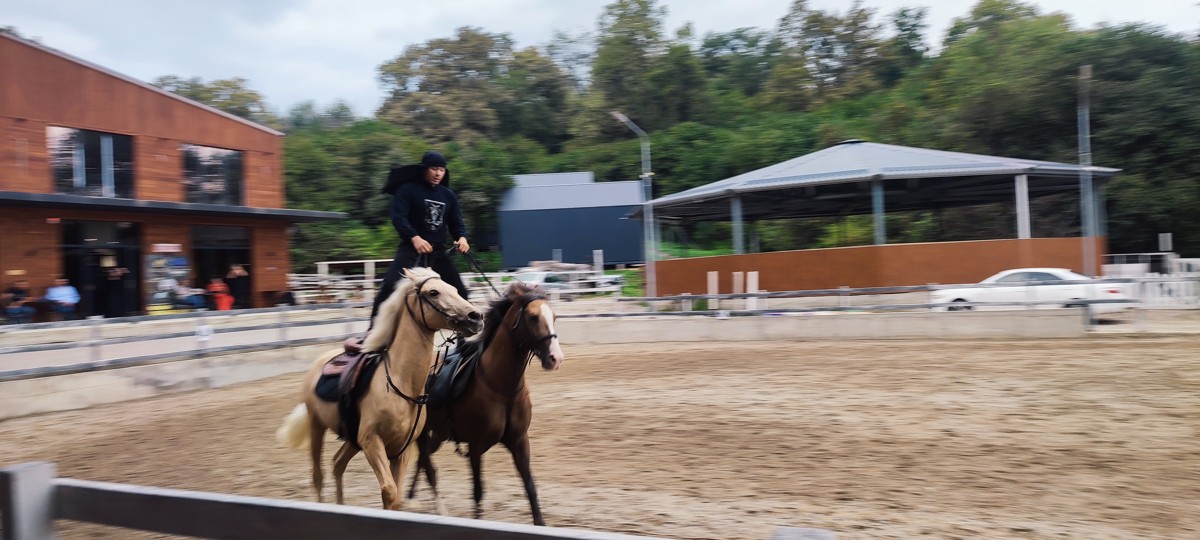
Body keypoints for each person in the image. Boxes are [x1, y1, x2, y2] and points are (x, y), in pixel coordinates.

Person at [370, 150, 471, 324]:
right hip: (412, 249)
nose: (438, 173)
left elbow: (457, 223)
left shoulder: (448, 195)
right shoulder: (408, 190)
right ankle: (371, 333)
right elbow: (398, 217)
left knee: (460, 291)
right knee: (389, 286)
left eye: (441, 169)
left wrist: (462, 237)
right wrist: (414, 237)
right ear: (424, 169)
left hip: (438, 252)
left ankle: (464, 342)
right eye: (434, 169)